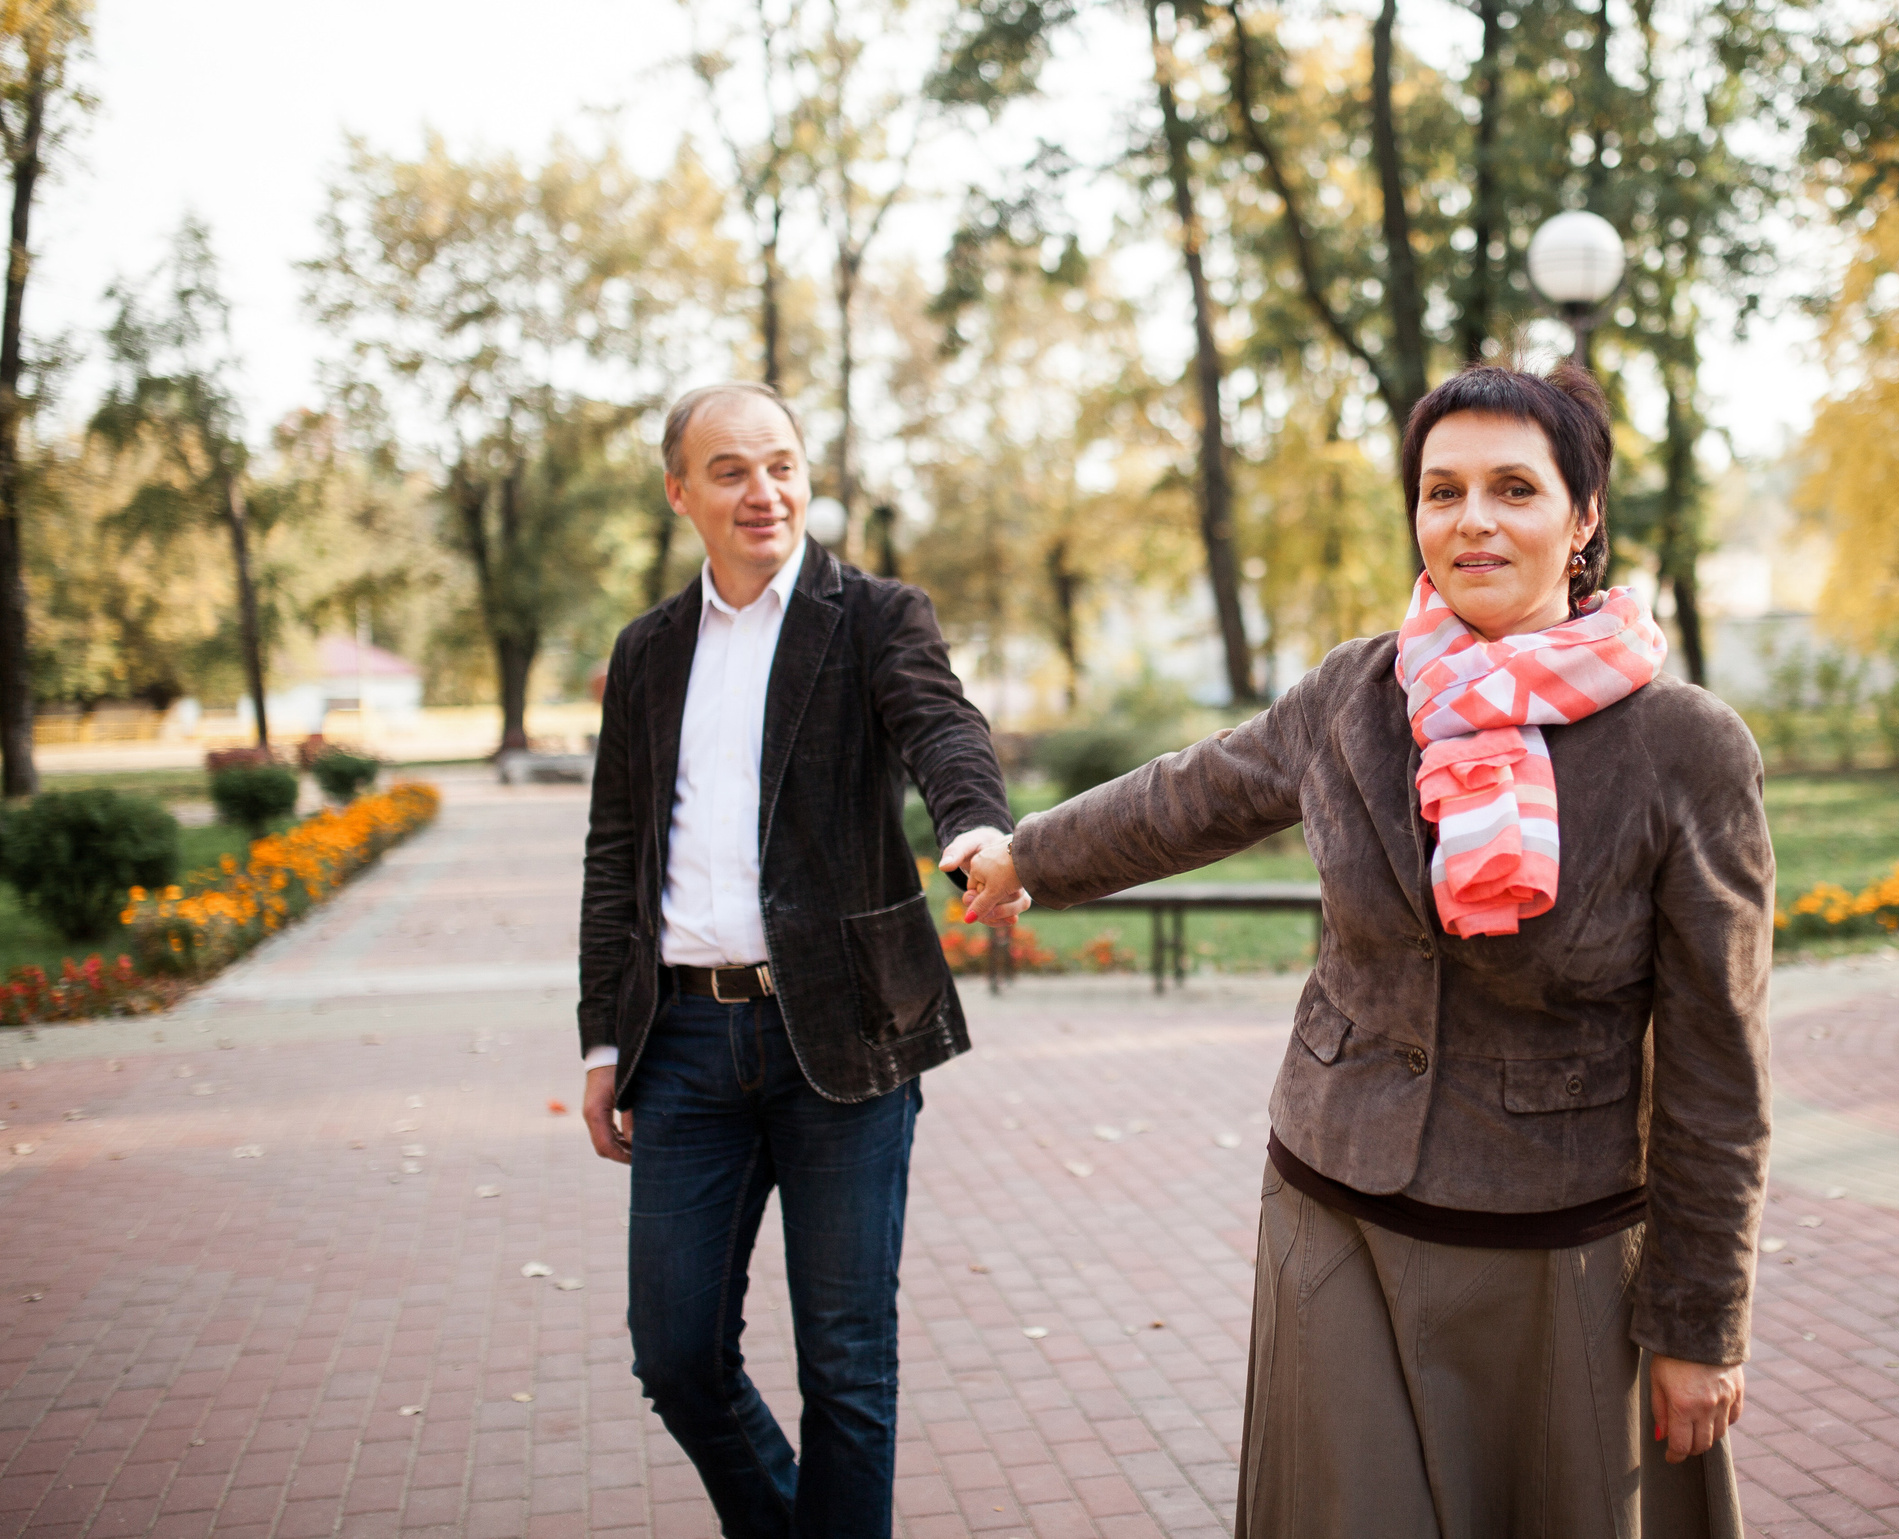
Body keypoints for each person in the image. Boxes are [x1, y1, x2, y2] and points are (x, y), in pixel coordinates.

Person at [962, 359, 1775, 1536]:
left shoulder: (1683, 745)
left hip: (1557, 1246)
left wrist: (1700, 1325)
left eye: (1513, 488)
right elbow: (1194, 794)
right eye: (1441, 492)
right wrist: (1027, 856)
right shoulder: (1360, 692)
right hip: (1332, 1208)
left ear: (1582, 517)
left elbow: (1719, 1060)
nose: (1472, 520)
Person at [577, 380, 1014, 1539]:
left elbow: (941, 727)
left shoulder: (873, 617)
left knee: (848, 1370)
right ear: (681, 493)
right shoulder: (648, 652)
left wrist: (971, 825)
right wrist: (600, 1040)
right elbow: (614, 851)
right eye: (729, 470)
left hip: (847, 1036)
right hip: (681, 1049)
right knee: (674, 1356)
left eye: (780, 464)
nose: (763, 491)